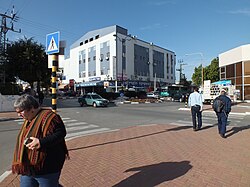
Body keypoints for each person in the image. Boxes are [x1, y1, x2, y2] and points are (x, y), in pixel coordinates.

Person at [12, 94, 69, 187]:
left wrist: (40, 142)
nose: (19, 115)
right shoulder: (29, 118)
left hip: (47, 166)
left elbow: (61, 133)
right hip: (28, 167)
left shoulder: (51, 117)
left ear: (31, 108)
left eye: (21, 111)